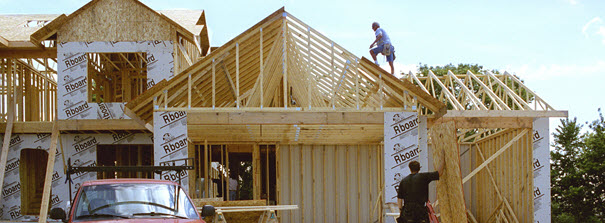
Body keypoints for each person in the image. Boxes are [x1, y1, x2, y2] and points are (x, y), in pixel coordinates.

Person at [396, 157, 445, 223]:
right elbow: (439, 173)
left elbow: (399, 199)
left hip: (407, 212)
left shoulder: (403, 181)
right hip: (420, 212)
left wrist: (401, 211)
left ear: (410, 169)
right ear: (419, 168)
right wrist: (443, 160)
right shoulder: (424, 177)